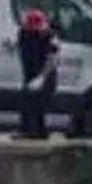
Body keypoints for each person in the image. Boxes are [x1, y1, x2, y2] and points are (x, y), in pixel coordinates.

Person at [16, 9, 59, 140]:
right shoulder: (24, 34)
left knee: (37, 106)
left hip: (45, 75)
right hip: (30, 74)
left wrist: (42, 77)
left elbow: (52, 59)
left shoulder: (49, 36)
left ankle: (36, 134)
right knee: (28, 105)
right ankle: (31, 132)